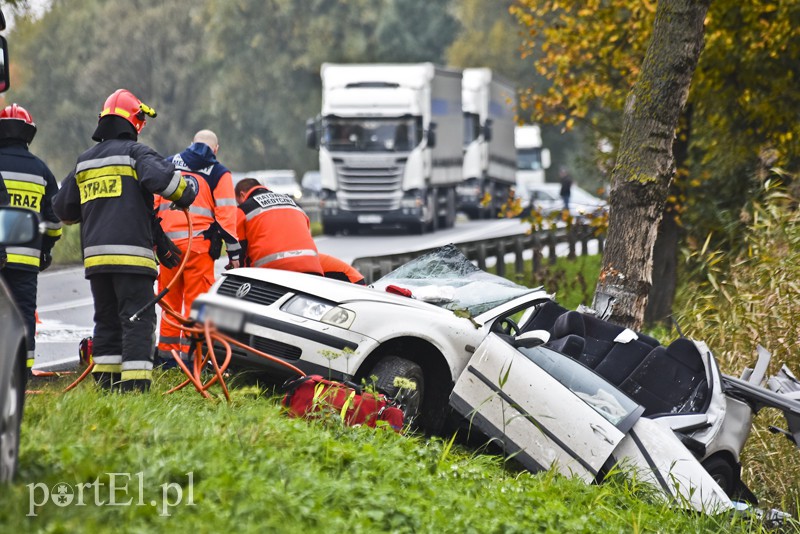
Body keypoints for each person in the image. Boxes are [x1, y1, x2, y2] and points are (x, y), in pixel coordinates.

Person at [53, 89, 196, 392]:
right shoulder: (136, 153)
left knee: (107, 322)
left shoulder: (84, 162)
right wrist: (188, 190)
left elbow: (63, 210)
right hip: (132, 260)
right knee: (137, 322)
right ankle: (134, 393)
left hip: (97, 262)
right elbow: (168, 184)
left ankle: (106, 387)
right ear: (134, 122)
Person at [155, 129, 241, 366]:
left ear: (191, 143)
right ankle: (194, 360)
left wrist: (153, 242)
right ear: (216, 149)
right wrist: (234, 255)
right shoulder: (219, 173)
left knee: (169, 303)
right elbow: (226, 217)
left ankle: (167, 358)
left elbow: (152, 204)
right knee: (197, 306)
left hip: (168, 248)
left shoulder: (168, 164)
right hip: (199, 249)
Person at [0, 104, 62, 372]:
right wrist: (45, 251)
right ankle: (22, 373)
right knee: (24, 314)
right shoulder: (42, 170)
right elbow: (54, 223)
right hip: (27, 261)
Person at [234, 177, 323, 275]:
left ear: (242, 195)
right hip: (312, 268)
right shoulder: (295, 204)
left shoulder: (243, 210)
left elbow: (239, 253)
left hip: (272, 273)